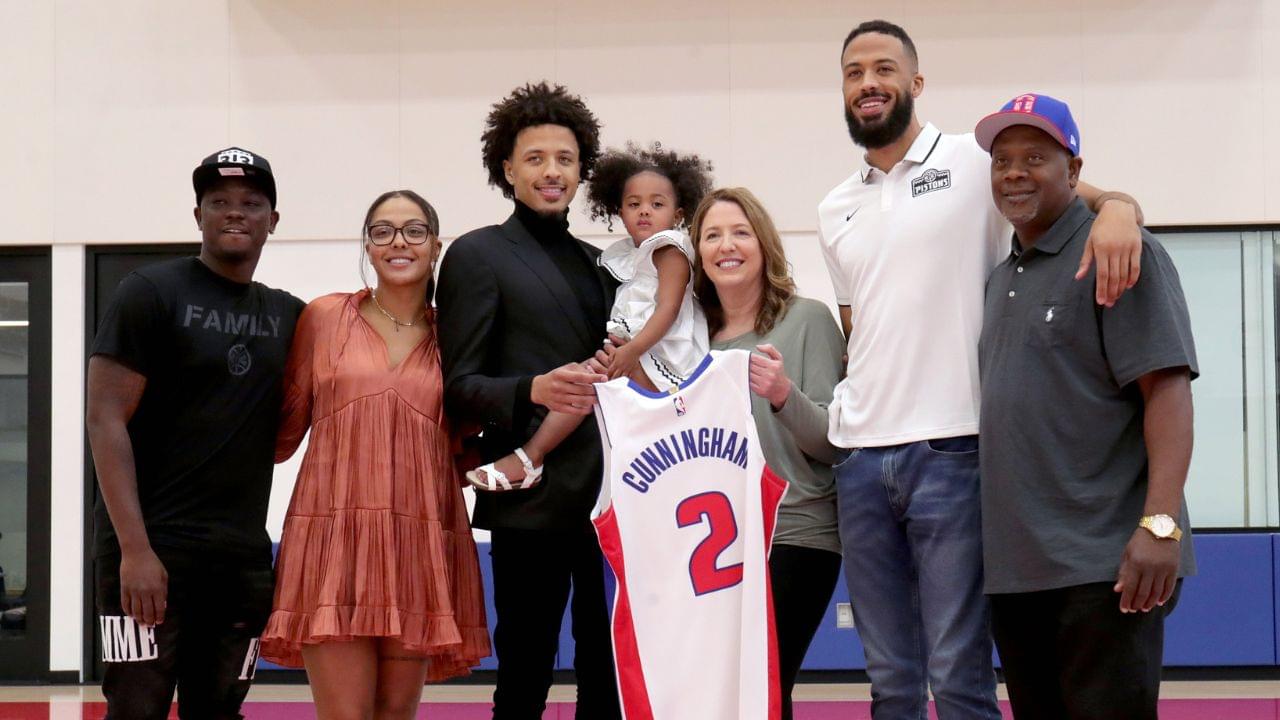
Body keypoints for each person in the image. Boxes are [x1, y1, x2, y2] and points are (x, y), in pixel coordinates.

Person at [817, 20, 1148, 718]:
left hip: (956, 451)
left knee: (959, 673)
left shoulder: (977, 159)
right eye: (853, 72)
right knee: (890, 682)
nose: (868, 82)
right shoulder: (833, 207)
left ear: (915, 82)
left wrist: (1123, 210)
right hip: (859, 461)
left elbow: (1089, 195)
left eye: (883, 68)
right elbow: (861, 324)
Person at [974, 93, 1197, 720]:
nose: (1014, 173)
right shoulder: (1000, 277)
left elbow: (1168, 391)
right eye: (1002, 160)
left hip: (1106, 565)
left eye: (1035, 158)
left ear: (1074, 172)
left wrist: (1160, 525)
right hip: (1019, 572)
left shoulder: (1121, 252)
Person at [86, 147, 303, 719]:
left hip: (239, 564)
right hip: (147, 554)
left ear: (272, 221)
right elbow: (104, 420)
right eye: (219, 202)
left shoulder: (290, 317)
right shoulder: (149, 292)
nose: (235, 213)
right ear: (198, 214)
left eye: (251, 203)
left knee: (220, 710)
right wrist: (134, 549)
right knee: (136, 709)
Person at [259, 190, 490, 719]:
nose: (398, 242)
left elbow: (467, 447)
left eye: (413, 231)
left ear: (435, 245)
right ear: (368, 245)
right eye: (382, 231)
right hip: (333, 541)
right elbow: (280, 432)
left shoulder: (455, 337)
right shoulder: (323, 318)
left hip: (419, 541)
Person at [435, 81, 623, 720]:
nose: (552, 172)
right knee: (526, 672)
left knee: (611, 668)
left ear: (582, 170)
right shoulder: (476, 254)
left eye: (565, 159)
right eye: (536, 158)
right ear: (507, 169)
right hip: (530, 498)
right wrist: (531, 389)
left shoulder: (605, 265)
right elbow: (459, 384)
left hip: (614, 496)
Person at [467, 141, 713, 490]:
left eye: (657, 204)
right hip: (640, 351)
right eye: (633, 204)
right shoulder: (628, 255)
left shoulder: (669, 249)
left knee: (586, 382)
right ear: (619, 211)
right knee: (584, 383)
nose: (644, 211)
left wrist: (631, 350)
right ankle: (531, 458)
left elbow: (668, 310)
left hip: (666, 357)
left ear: (678, 214)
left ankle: (530, 457)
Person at [693, 187, 845, 720]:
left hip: (794, 535)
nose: (726, 245)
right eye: (712, 235)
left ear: (764, 244)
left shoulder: (808, 320)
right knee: (714, 698)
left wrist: (783, 393)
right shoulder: (689, 341)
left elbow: (832, 442)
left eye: (740, 232)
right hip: (712, 545)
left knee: (759, 691)